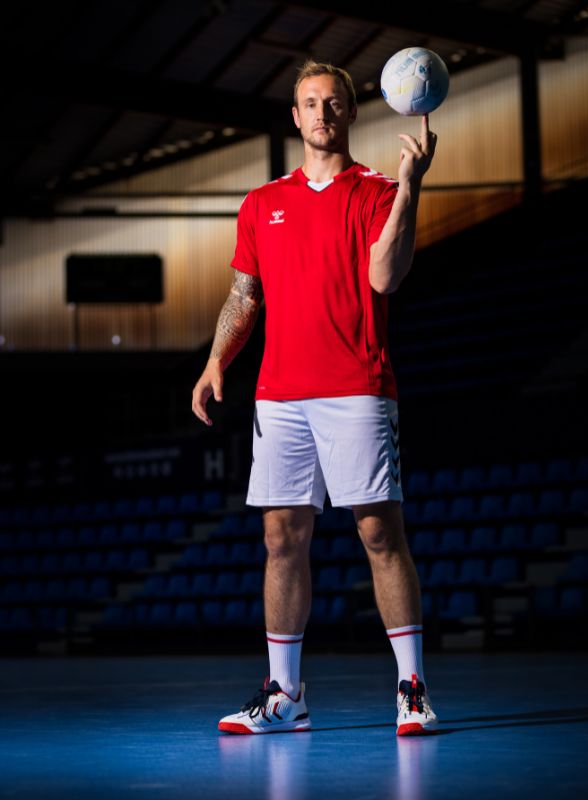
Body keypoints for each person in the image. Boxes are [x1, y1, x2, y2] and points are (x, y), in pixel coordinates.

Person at [192, 60, 438, 736]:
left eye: (333, 103)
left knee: (379, 531)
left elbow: (385, 278)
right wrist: (217, 361)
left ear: (351, 113)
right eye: (309, 103)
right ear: (294, 116)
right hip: (279, 395)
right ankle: (284, 695)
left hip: (357, 385)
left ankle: (411, 688)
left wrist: (413, 185)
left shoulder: (379, 190)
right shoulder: (261, 203)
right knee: (280, 539)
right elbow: (244, 296)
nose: (322, 114)